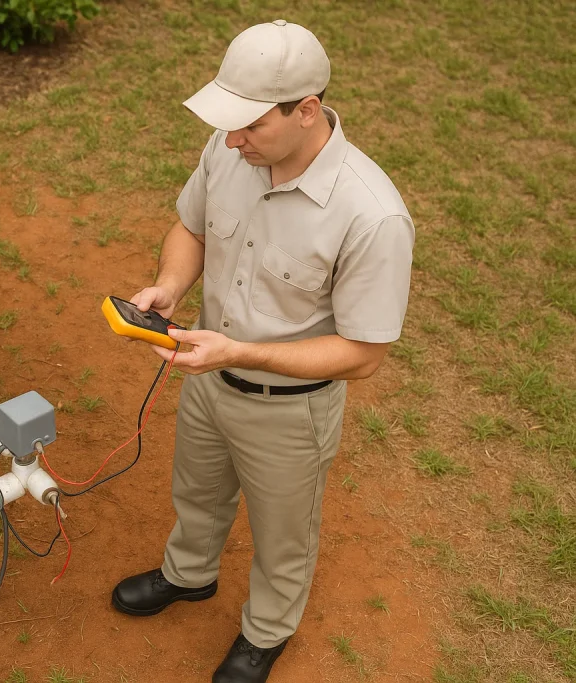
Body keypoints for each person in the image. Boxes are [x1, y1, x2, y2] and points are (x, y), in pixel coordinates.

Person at [110, 20, 415, 683]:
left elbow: (364, 354)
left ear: (306, 110)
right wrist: (170, 285)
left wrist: (241, 352)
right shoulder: (231, 150)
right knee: (196, 491)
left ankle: (265, 631)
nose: (231, 139)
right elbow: (191, 227)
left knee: (284, 536)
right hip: (207, 376)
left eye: (250, 125)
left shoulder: (372, 216)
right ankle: (188, 574)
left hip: (290, 412)